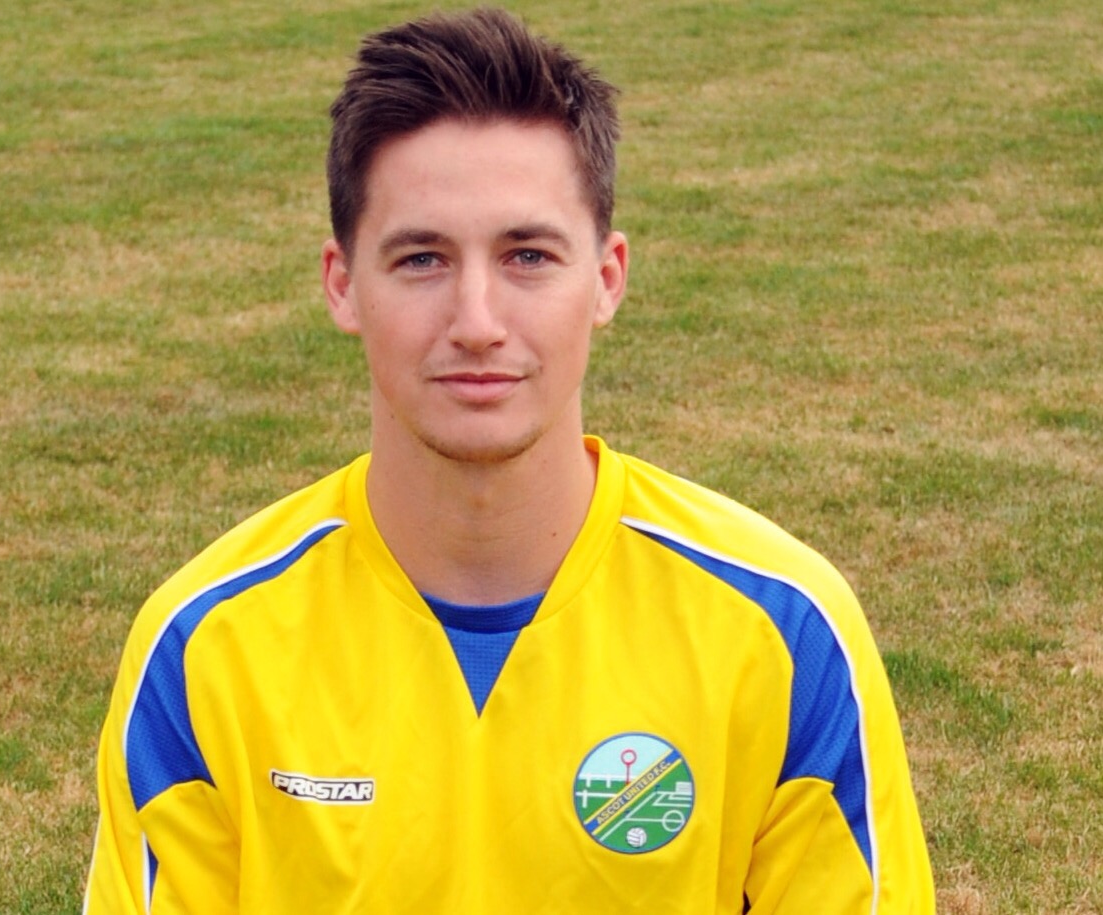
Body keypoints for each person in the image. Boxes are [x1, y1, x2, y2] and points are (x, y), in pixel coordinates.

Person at [84, 8, 935, 913]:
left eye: (528, 255)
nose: (478, 320)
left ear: (605, 279)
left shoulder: (782, 633)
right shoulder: (205, 649)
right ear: (342, 283)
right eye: (421, 259)